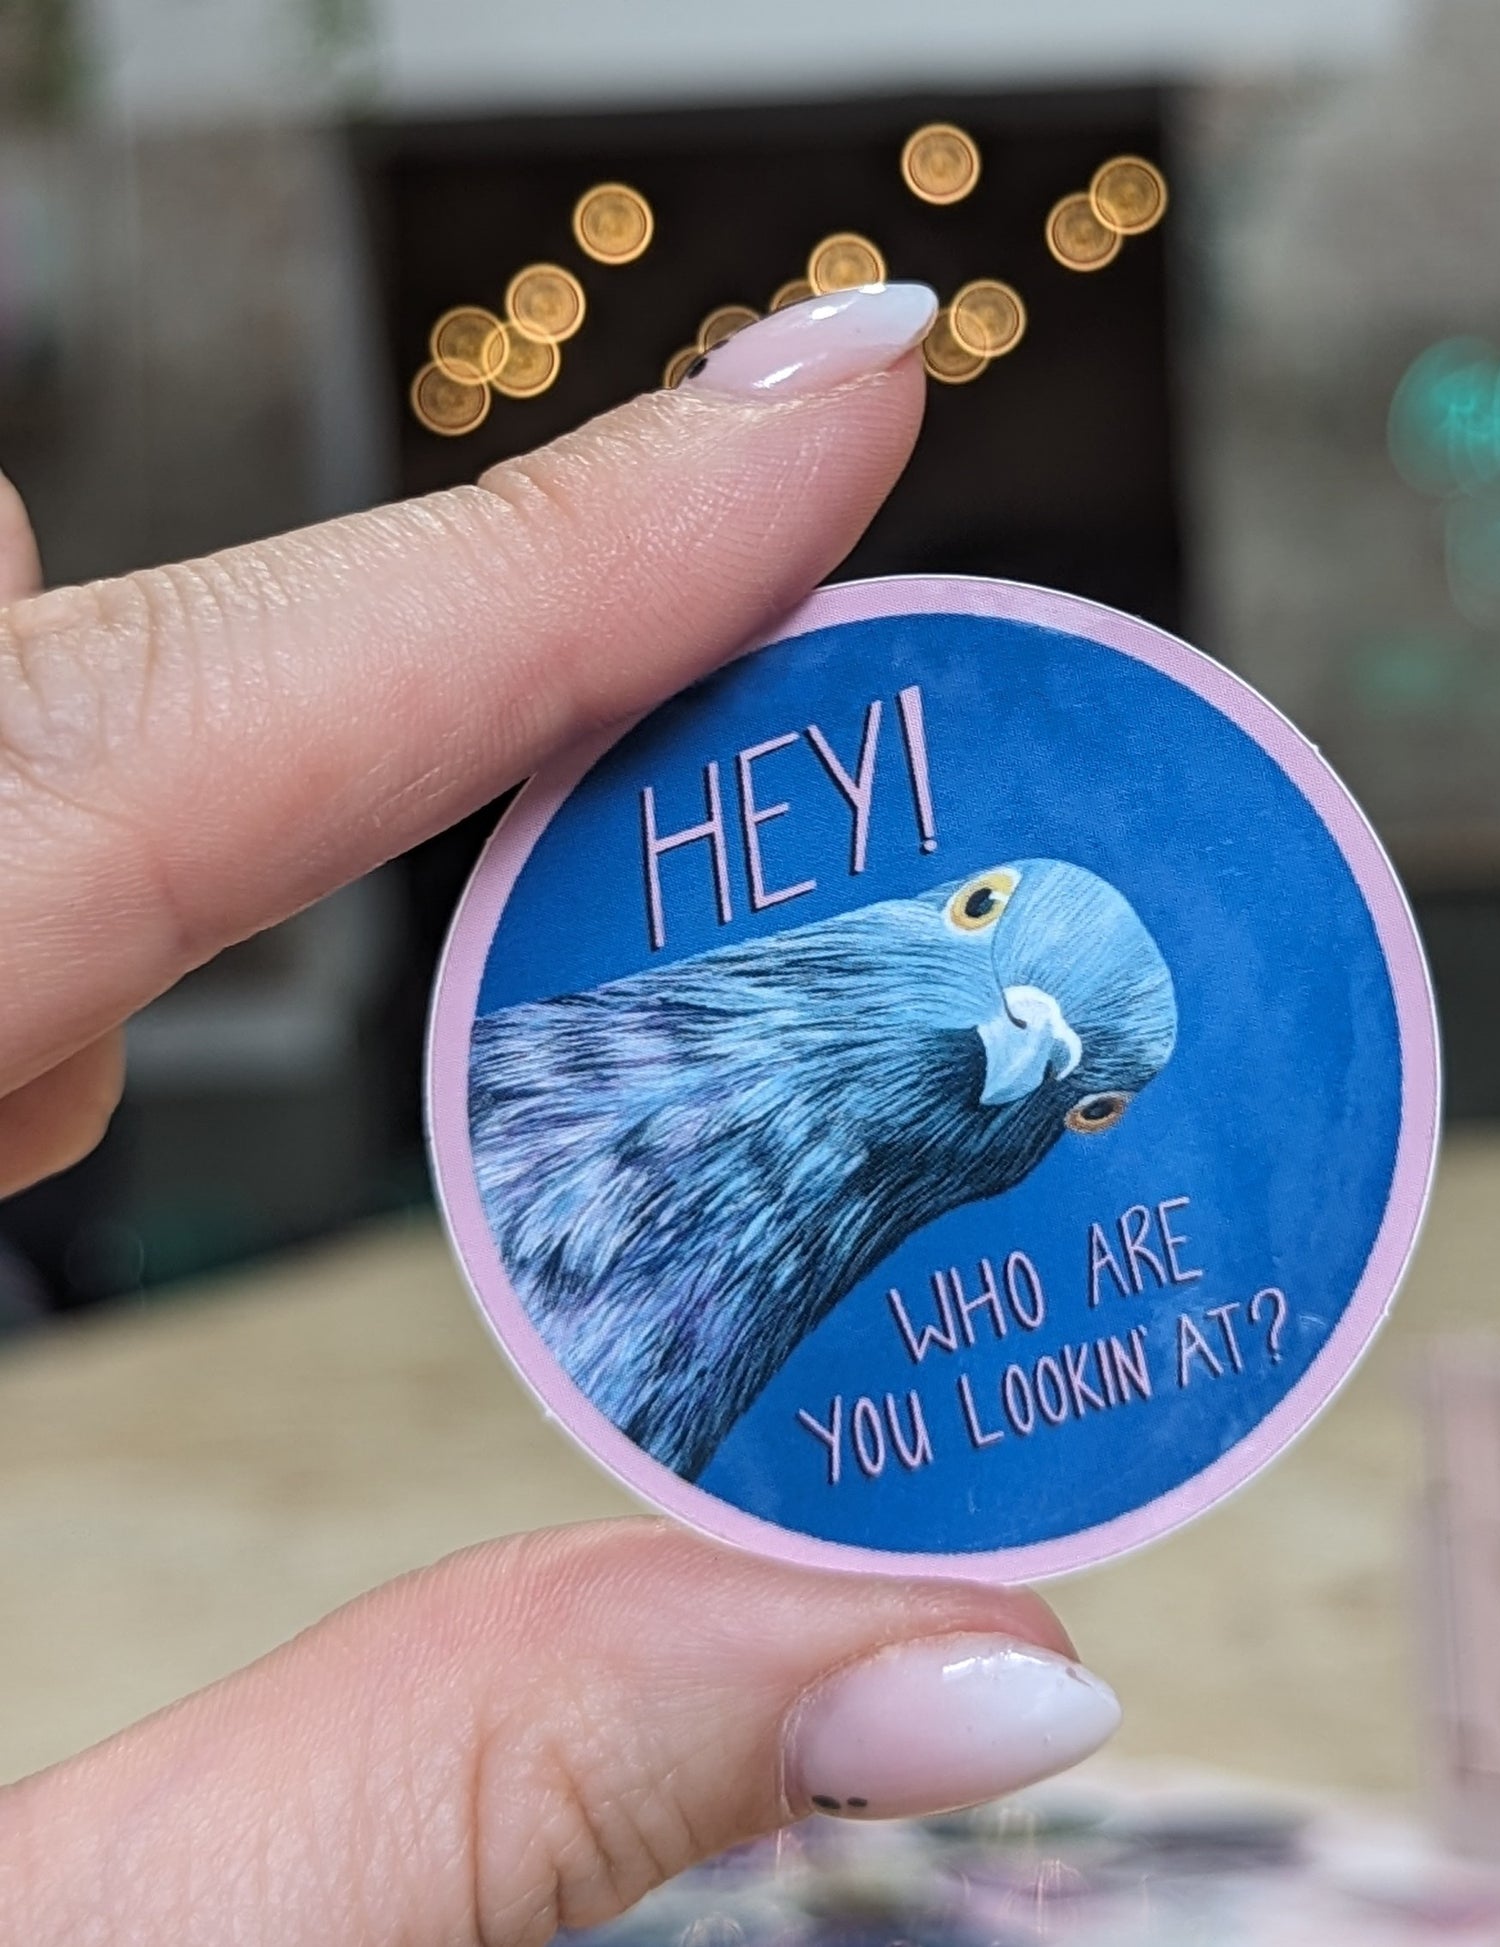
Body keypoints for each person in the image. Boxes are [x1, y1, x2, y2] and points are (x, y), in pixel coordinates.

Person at [0, 283, 1121, 1947]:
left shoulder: (783, 1340)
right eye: (978, 915)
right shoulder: (558, 1052)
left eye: (1084, 1098)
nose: (1025, 1036)